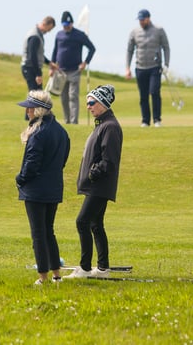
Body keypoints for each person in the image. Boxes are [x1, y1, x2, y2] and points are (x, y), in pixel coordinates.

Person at [64, 84, 123, 279]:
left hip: (99, 186)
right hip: (96, 185)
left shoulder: (110, 127)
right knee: (96, 224)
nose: (88, 107)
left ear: (103, 103)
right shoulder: (102, 124)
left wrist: (92, 174)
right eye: (87, 103)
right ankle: (103, 268)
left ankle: (85, 268)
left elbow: (109, 161)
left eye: (92, 102)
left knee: (82, 222)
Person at [15, 90, 70, 285]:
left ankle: (43, 276)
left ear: (38, 110)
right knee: (49, 231)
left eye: (29, 108)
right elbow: (63, 160)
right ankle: (56, 275)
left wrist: (19, 179)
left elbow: (31, 165)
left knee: (38, 234)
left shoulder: (38, 133)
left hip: (36, 191)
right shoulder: (61, 131)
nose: (27, 112)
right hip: (53, 188)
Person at [126, 9, 171, 127]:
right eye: (139, 20)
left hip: (155, 67)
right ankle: (145, 120)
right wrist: (127, 68)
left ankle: (157, 120)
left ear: (148, 18)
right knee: (143, 95)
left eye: (143, 19)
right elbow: (130, 50)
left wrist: (166, 64)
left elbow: (166, 47)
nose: (141, 22)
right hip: (140, 68)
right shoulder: (134, 32)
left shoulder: (159, 30)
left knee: (154, 92)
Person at [50, 11, 96, 124]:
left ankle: (74, 121)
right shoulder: (59, 35)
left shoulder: (80, 35)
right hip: (61, 71)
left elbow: (92, 48)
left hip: (75, 70)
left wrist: (85, 63)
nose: (66, 27)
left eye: (68, 24)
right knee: (64, 97)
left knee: (72, 96)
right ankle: (67, 121)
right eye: (64, 25)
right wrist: (52, 67)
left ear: (72, 23)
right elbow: (55, 51)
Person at [20, 16, 57, 91]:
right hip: (30, 68)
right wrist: (38, 74)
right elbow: (32, 56)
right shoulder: (35, 36)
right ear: (44, 24)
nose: (48, 31)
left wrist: (49, 63)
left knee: (37, 94)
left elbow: (38, 54)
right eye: (49, 29)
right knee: (35, 95)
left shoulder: (38, 34)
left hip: (31, 68)